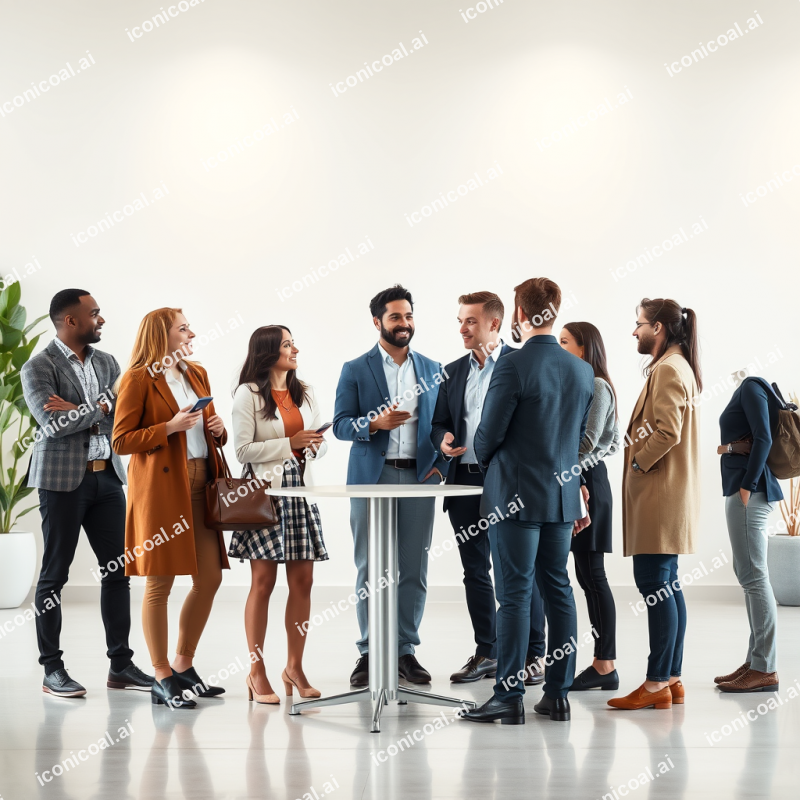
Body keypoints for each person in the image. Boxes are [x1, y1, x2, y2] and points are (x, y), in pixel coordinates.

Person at [460, 277, 594, 725]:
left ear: (519, 314)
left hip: (514, 496)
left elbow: (487, 437)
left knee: (514, 595)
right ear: (554, 311)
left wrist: (484, 451)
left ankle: (508, 696)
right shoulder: (579, 368)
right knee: (559, 591)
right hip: (561, 496)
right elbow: (576, 440)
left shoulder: (512, 366)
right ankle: (557, 694)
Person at [20, 289, 153, 697]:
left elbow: (125, 417)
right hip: (61, 481)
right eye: (94, 313)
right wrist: (101, 408)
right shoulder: (38, 367)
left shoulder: (109, 362)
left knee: (118, 572)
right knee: (54, 576)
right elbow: (52, 425)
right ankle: (52, 669)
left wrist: (82, 411)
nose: (101, 320)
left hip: (108, 479)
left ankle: (121, 666)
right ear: (71, 320)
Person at [112, 308, 230, 709]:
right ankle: (161, 675)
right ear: (162, 335)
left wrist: (218, 429)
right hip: (162, 489)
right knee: (159, 582)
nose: (191, 333)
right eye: (183, 328)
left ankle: (183, 664)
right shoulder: (136, 378)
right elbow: (121, 441)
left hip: (201, 484)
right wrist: (169, 428)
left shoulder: (195, 373)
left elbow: (210, 426)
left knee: (209, 577)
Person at [333, 284, 448, 687]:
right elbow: (341, 425)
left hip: (419, 477)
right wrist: (373, 424)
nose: (404, 323)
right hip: (371, 477)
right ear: (377, 321)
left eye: (409, 315)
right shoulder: (355, 368)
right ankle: (368, 652)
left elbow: (442, 426)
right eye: (396, 316)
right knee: (369, 567)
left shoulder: (433, 368)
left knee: (413, 568)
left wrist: (442, 464)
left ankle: (404, 651)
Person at [431, 291, 546, 686]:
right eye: (460, 320)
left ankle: (534, 654)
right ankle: (488, 652)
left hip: (509, 480)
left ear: (494, 324)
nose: (462, 328)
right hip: (464, 480)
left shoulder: (520, 363)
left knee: (521, 569)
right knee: (475, 570)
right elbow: (438, 423)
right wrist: (443, 439)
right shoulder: (451, 371)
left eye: (471, 321)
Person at [608, 298, 701, 711]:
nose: (635, 332)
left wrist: (638, 463)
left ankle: (656, 682)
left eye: (639, 324)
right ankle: (672, 678)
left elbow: (668, 431)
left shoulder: (667, 368)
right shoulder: (678, 365)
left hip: (659, 496)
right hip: (667, 496)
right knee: (668, 585)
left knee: (655, 585)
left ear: (659, 328)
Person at [228, 325, 328, 704]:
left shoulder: (306, 393)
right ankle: (256, 670)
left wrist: (313, 446)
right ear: (269, 352)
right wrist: (291, 443)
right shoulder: (248, 394)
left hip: (301, 491)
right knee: (263, 583)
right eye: (287, 345)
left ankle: (294, 667)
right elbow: (242, 451)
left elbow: (319, 444)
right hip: (266, 495)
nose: (295, 349)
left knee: (303, 582)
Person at [558, 322, 621, 691]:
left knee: (593, 576)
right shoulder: (582, 384)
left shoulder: (597, 386)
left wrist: (560, 463)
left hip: (589, 484)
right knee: (586, 576)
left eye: (565, 342)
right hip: (578, 479)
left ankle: (605, 664)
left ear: (584, 349)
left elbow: (589, 442)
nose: (559, 347)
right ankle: (603, 663)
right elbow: (606, 443)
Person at [715, 372, 782, 692]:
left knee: (754, 576)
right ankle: (755, 661)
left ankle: (764, 668)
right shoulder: (749, 389)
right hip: (746, 491)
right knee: (749, 574)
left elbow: (764, 438)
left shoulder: (752, 386)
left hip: (751, 494)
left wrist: (746, 486)